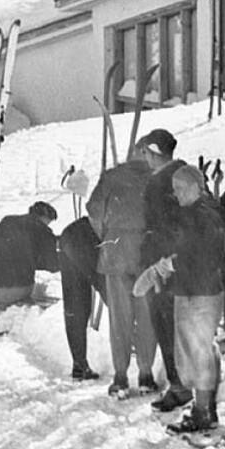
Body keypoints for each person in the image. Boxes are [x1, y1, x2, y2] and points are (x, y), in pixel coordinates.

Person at [137, 163, 225, 434]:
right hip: (191, 289)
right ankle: (204, 408)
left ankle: (203, 412)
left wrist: (168, 266)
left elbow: (202, 255)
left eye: (179, 188)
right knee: (194, 351)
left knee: (199, 351)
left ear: (193, 187)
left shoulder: (203, 216)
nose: (176, 194)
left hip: (200, 292)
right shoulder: (194, 212)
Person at [85, 134, 165, 396]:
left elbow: (94, 209)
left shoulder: (112, 176)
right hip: (147, 253)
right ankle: (145, 373)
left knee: (119, 318)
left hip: (116, 253)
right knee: (146, 317)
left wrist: (108, 236)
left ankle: (120, 376)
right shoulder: (158, 177)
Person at [138, 133, 189, 406]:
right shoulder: (187, 173)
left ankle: (179, 387)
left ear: (155, 152)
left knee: (166, 326)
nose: (144, 158)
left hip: (164, 265)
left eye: (146, 152)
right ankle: (188, 384)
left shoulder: (157, 183)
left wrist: (154, 263)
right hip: (190, 263)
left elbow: (159, 228)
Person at [0, 201, 60, 330]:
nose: (48, 225)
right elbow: (51, 264)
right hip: (20, 289)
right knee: (20, 279)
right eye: (49, 221)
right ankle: (6, 310)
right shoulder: (45, 232)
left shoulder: (7, 221)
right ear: (44, 217)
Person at [57, 205, 102, 381]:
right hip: (88, 237)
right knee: (114, 298)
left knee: (75, 305)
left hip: (72, 234)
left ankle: (79, 365)